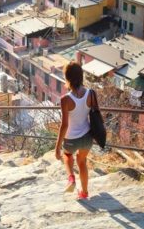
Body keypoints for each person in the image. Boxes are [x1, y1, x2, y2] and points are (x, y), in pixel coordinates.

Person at [54, 61, 97, 200]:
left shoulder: (65, 99)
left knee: (67, 155)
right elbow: (95, 115)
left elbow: (64, 125)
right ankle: (84, 193)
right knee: (82, 161)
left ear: (67, 77)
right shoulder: (91, 94)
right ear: (81, 76)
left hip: (71, 138)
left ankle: (71, 178)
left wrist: (57, 147)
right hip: (87, 136)